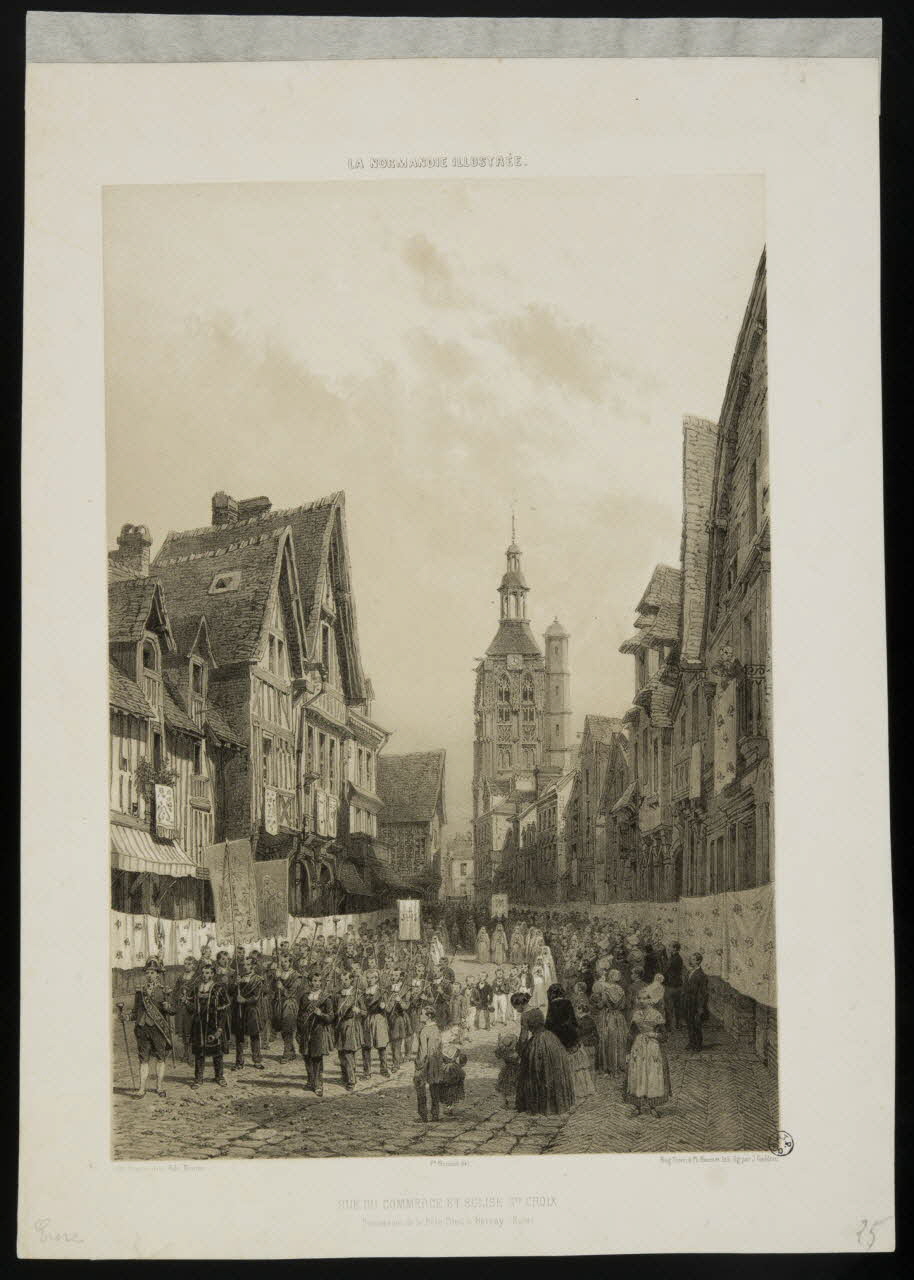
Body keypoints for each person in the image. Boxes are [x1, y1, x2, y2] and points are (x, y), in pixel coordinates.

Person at [123, 959, 174, 1098]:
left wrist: (168, 1007)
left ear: (158, 974)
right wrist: (127, 1017)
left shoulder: (164, 991)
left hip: (157, 1029)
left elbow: (172, 1010)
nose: (150, 975)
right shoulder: (140, 991)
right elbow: (135, 1011)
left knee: (160, 1058)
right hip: (142, 1028)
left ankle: (159, 1087)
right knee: (143, 1059)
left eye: (153, 972)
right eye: (148, 972)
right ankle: (141, 1088)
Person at [515, 1007, 576, 1116]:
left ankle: (541, 1106)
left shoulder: (524, 1016)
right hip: (550, 1038)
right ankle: (556, 1104)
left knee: (538, 1072)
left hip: (537, 1043)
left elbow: (524, 1037)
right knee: (552, 1072)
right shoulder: (537, 1010)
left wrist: (520, 1050)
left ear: (519, 1006)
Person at [624, 994, 672, 1117]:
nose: (641, 1001)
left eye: (645, 998)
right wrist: (628, 1052)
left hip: (653, 1048)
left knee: (652, 1075)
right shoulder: (636, 1015)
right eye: (639, 998)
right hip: (638, 1047)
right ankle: (637, 1106)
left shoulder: (656, 1015)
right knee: (637, 1074)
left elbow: (665, 1036)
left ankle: (653, 1106)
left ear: (650, 1000)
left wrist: (654, 1035)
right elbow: (630, 1035)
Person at [189, 960, 230, 1090]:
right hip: (199, 1025)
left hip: (214, 1024)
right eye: (202, 973)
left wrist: (220, 1028)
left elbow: (224, 1009)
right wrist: (185, 1002)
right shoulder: (196, 988)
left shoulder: (219, 988)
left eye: (207, 973)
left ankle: (219, 1076)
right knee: (199, 1053)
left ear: (212, 974)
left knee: (217, 1052)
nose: (204, 975)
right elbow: (191, 1007)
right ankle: (198, 1078)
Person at [297, 978, 335, 1095]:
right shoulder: (304, 997)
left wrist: (321, 1014)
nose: (316, 983)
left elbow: (331, 1017)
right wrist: (299, 1030)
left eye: (319, 980)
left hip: (318, 1031)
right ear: (310, 982)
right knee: (306, 1056)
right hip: (305, 1031)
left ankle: (318, 1084)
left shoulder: (326, 998)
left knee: (317, 1058)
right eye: (314, 980)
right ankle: (310, 1081)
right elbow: (300, 1015)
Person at [230, 955, 265, 1071]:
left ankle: (257, 1060)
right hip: (239, 1010)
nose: (245, 967)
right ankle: (239, 1062)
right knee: (239, 1036)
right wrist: (235, 985)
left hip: (252, 1010)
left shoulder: (258, 980)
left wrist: (245, 1000)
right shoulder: (239, 978)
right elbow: (231, 993)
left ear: (254, 966)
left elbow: (256, 997)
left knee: (254, 1036)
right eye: (243, 965)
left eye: (248, 964)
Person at [592, 968, 628, 1074]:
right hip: (619, 1016)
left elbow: (601, 1005)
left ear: (610, 977)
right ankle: (619, 1065)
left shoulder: (605, 990)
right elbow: (623, 1006)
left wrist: (595, 1004)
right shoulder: (621, 989)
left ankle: (609, 1065)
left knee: (608, 1039)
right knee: (619, 1039)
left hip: (608, 1016)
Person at [414, 1003, 445, 1122]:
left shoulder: (424, 1031)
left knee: (420, 1087)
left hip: (425, 1063)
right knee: (434, 1088)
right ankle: (435, 1114)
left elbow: (423, 1051)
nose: (420, 1016)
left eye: (422, 1014)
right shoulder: (436, 1029)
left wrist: (419, 1065)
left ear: (429, 1016)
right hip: (436, 1062)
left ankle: (423, 1115)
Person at [334, 976, 364, 1092]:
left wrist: (359, 1011)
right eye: (342, 979)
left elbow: (365, 1012)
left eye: (346, 979)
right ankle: (344, 1076)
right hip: (340, 1026)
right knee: (341, 1052)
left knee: (348, 1053)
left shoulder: (357, 994)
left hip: (351, 1026)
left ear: (351, 980)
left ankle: (351, 1080)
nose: (343, 981)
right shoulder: (338, 995)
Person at [363, 971, 391, 1077]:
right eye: (368, 978)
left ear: (376, 979)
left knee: (382, 1045)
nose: (369, 980)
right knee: (366, 1046)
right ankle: (367, 1071)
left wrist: (383, 1006)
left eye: (372, 978)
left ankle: (384, 1069)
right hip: (367, 1018)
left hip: (379, 1018)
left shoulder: (381, 992)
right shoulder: (363, 992)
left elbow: (388, 1008)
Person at [171, 955, 197, 1065]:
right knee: (183, 1033)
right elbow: (175, 991)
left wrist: (188, 999)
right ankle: (186, 1053)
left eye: (189, 964)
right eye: (185, 963)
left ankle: (191, 1055)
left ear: (194, 965)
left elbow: (197, 993)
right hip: (181, 1008)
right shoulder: (181, 977)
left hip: (191, 1009)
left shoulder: (196, 978)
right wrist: (177, 996)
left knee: (190, 1032)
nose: (186, 966)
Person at [682, 952, 709, 1052]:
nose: (690, 961)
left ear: (698, 961)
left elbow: (703, 993)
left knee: (696, 1024)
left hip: (695, 1003)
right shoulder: (690, 972)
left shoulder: (702, 975)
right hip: (687, 1001)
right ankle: (691, 1042)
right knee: (689, 1023)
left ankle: (698, 1044)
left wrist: (700, 1007)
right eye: (690, 959)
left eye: (692, 959)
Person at [439, 1027, 468, 1116]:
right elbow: (463, 1060)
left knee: (448, 1088)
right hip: (453, 1070)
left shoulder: (443, 1050)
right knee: (451, 1088)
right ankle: (450, 1107)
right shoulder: (456, 1049)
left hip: (447, 1071)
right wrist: (459, 1066)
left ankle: (449, 1107)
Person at [387, 975, 409, 1070]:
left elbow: (406, 1006)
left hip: (398, 1019)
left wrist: (400, 1001)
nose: (393, 977)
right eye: (393, 975)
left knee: (397, 1042)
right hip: (388, 1019)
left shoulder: (404, 991)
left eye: (396, 975)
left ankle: (396, 1064)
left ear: (400, 978)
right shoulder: (389, 989)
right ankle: (395, 1061)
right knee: (392, 1043)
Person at [494, 1030, 521, 1108]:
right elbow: (518, 1060)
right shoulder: (514, 1053)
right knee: (514, 1086)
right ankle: (514, 1102)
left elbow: (498, 1054)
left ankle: (504, 1102)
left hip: (506, 1070)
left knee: (504, 1087)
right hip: (515, 1070)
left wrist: (499, 1044)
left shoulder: (504, 1052)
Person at [663, 941, 684, 1031]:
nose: (668, 948)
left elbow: (666, 970)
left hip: (671, 985)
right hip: (677, 985)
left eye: (670, 946)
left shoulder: (674, 959)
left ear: (675, 948)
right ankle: (677, 1025)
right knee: (677, 1006)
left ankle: (669, 1026)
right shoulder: (677, 958)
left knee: (668, 1006)